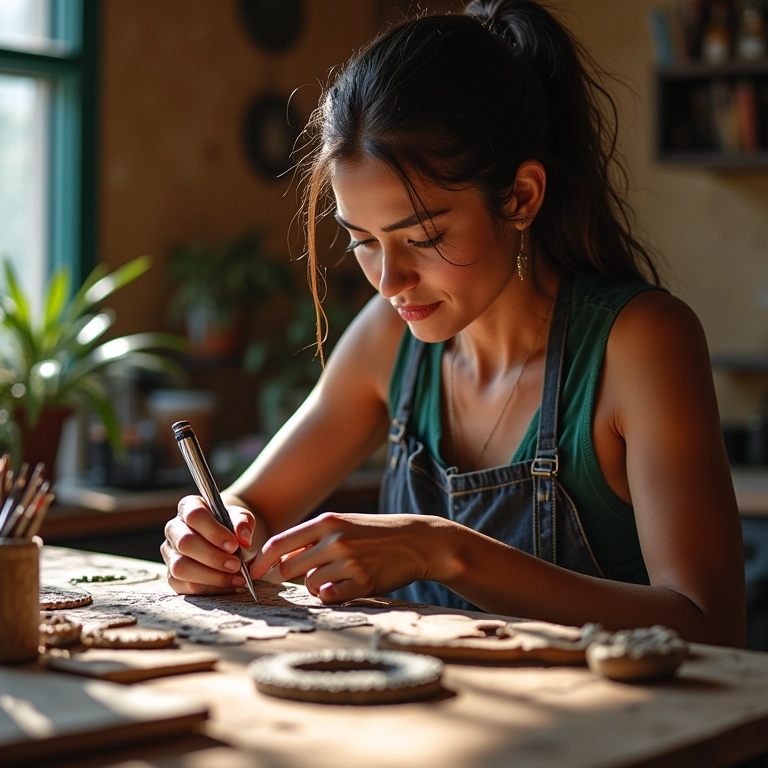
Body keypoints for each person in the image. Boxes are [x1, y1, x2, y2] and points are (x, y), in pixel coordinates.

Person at [161, 0, 746, 647]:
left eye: (424, 237)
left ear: (520, 197)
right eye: (363, 241)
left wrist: (443, 550)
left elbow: (710, 625)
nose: (389, 282)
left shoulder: (640, 342)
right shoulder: (390, 338)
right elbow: (255, 506)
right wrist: (211, 534)